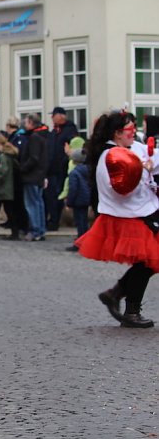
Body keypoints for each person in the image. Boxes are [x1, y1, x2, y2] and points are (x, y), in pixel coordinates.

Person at [77, 110, 158, 328]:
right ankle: (128, 307)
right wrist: (144, 169)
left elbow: (149, 156)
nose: (134, 133)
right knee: (148, 261)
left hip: (142, 210)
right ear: (117, 133)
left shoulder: (129, 148)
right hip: (129, 214)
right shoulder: (112, 156)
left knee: (148, 263)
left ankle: (117, 294)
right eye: (130, 130)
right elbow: (124, 187)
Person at [45, 107, 78, 231]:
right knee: (51, 196)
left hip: (62, 170)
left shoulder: (69, 131)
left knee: (58, 196)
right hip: (52, 170)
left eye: (54, 116)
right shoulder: (54, 132)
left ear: (59, 116)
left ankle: (55, 221)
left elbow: (72, 149)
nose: (52, 118)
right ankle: (52, 219)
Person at [20, 113, 50, 241]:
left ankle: (35, 230)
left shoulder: (34, 137)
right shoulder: (43, 136)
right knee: (38, 203)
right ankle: (41, 230)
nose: (24, 124)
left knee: (32, 204)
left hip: (32, 176)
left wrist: (22, 169)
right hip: (39, 175)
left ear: (31, 123)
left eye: (26, 122)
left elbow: (34, 158)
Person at [0, 133, 20, 240]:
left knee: (0, 211)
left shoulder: (3, 156)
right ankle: (13, 232)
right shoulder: (8, 155)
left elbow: (3, 171)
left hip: (3, 188)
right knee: (8, 210)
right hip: (7, 187)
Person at [65, 147, 91, 251]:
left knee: (80, 222)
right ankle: (86, 240)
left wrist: (69, 202)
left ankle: (80, 242)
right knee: (84, 221)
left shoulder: (74, 173)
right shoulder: (89, 170)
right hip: (87, 198)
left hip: (78, 200)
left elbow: (73, 189)